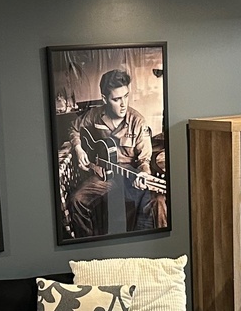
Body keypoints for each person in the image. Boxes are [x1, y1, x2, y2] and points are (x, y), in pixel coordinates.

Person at [66, 68, 166, 238]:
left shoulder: (138, 121)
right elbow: (73, 128)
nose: (123, 104)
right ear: (104, 99)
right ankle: (89, 247)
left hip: (129, 175)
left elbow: (144, 160)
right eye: (117, 99)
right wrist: (78, 148)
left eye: (126, 96)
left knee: (157, 202)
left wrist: (143, 174)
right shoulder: (94, 115)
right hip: (103, 174)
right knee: (77, 200)